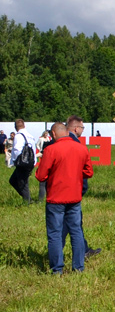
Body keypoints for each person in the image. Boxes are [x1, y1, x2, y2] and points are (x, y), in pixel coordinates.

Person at [35, 122, 93, 274]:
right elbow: (89, 172)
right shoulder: (81, 148)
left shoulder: (51, 150)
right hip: (75, 197)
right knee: (76, 231)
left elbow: (41, 176)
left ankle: (57, 269)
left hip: (55, 197)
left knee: (55, 233)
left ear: (53, 134)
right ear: (67, 132)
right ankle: (78, 267)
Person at [66, 116, 100, 259]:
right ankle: (81, 255)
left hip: (58, 191)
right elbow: (85, 172)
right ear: (76, 128)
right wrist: (82, 190)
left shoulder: (57, 141)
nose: (83, 130)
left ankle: (82, 250)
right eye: (82, 128)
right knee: (73, 225)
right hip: (73, 192)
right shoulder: (77, 145)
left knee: (65, 226)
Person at [7, 119, 34, 204]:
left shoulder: (18, 136)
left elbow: (17, 150)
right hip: (29, 161)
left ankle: (27, 202)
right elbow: (33, 150)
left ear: (15, 127)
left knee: (23, 184)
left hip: (22, 162)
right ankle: (28, 199)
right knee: (13, 180)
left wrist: (14, 161)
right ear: (24, 125)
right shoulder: (30, 135)